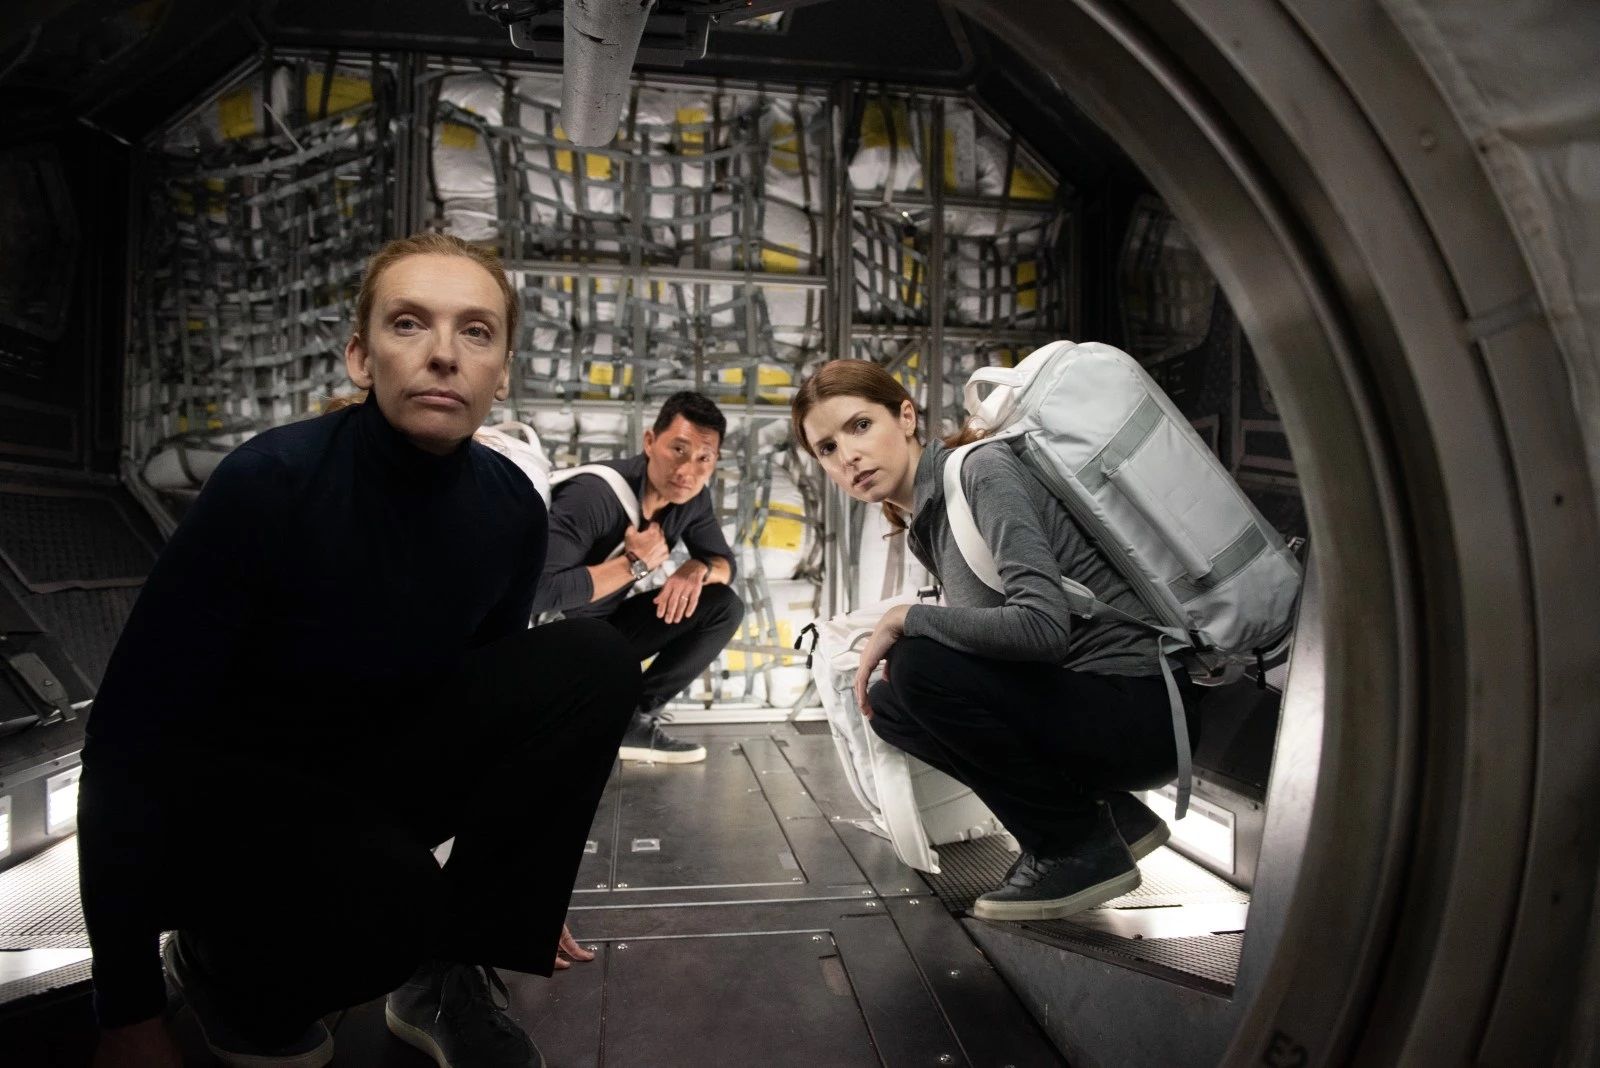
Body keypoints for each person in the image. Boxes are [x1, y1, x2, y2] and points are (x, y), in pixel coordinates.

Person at [80, 232, 639, 1068]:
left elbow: (496, 709)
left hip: (373, 775)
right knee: (395, 902)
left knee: (594, 660)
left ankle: (445, 977)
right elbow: (129, 739)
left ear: (502, 372)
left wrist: (507, 889)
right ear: (360, 356)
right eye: (409, 323)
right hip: (241, 803)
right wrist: (125, 1009)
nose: (444, 354)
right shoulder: (269, 482)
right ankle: (219, 965)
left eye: (476, 331)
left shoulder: (510, 510)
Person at [791, 359, 1200, 920]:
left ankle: (1073, 848)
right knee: (890, 704)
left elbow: (1041, 629)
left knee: (915, 664)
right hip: (1097, 710)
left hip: (1145, 713)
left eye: (860, 426)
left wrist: (906, 619)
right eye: (827, 448)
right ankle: (1110, 817)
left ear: (905, 417)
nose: (848, 456)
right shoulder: (927, 522)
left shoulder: (981, 473)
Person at [530, 391, 743, 765]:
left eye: (704, 458)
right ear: (649, 442)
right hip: (546, 646)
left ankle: (631, 721)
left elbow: (725, 564)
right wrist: (634, 564)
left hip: (602, 635)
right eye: (678, 450)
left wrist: (697, 569)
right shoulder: (593, 496)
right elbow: (536, 594)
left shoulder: (691, 499)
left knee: (723, 606)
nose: (687, 470)